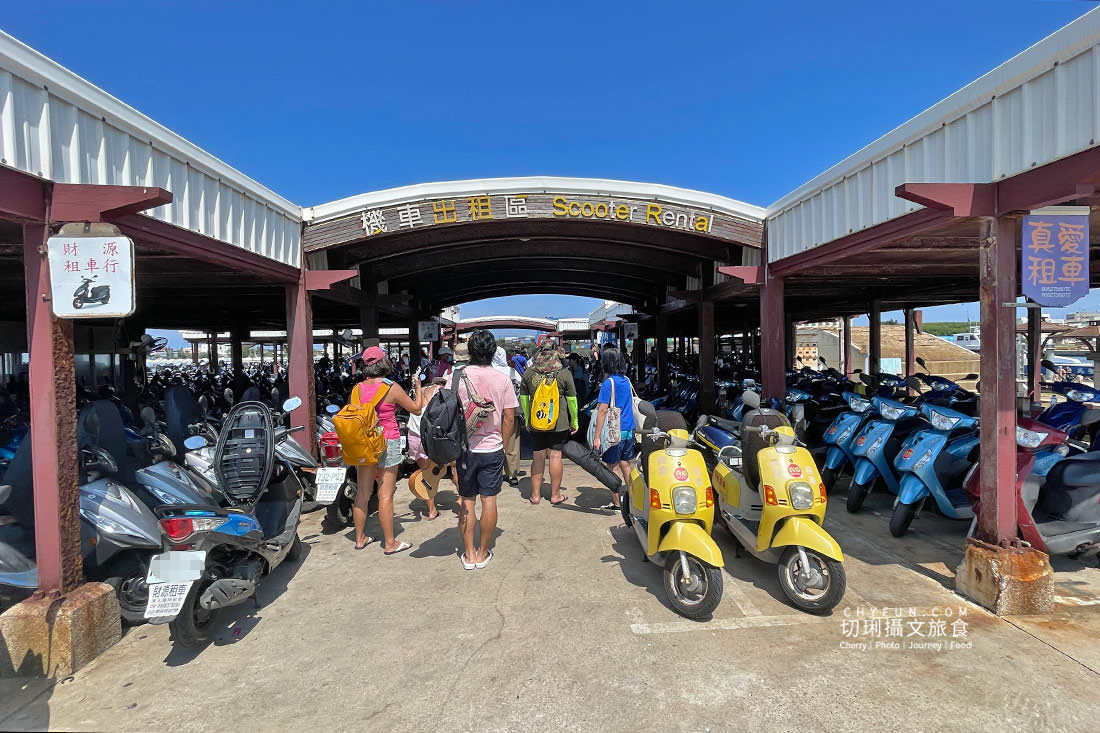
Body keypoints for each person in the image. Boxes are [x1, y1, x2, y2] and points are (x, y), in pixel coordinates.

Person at [453, 330, 518, 570]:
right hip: (492, 448)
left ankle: (468, 554)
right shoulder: (502, 379)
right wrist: (502, 441)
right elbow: (509, 417)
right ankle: (482, 553)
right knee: (489, 500)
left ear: (470, 351)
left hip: (465, 448)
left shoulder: (457, 376)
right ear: (493, 352)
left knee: (467, 500)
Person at [352, 345, 426, 554]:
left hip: (364, 443)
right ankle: (390, 543)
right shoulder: (391, 387)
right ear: (384, 362)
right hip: (387, 441)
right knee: (385, 495)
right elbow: (416, 408)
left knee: (363, 493)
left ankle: (360, 539)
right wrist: (418, 388)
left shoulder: (357, 389)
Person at [520, 338, 578, 505]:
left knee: (537, 456)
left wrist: (527, 419)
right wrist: (574, 420)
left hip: (536, 421)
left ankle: (535, 496)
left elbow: (524, 398)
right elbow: (572, 400)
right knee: (555, 456)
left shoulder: (529, 373)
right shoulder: (564, 373)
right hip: (558, 422)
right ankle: (555, 495)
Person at [591, 347, 636, 511]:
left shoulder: (608, 384)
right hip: (629, 429)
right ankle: (634, 499)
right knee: (625, 464)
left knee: (612, 467)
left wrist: (597, 437)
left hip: (615, 432)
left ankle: (618, 504)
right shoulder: (626, 380)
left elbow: (602, 410)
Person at [405, 376, 443, 520]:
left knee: (426, 475)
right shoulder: (439, 391)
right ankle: (462, 500)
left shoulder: (415, 392)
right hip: (432, 438)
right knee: (454, 466)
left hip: (415, 437)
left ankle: (432, 509)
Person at [493, 346, 523, 487]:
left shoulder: (488, 372)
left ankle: (494, 472)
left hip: (491, 415)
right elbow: (521, 388)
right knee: (512, 443)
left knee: (492, 443)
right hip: (510, 413)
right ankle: (512, 474)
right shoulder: (512, 372)